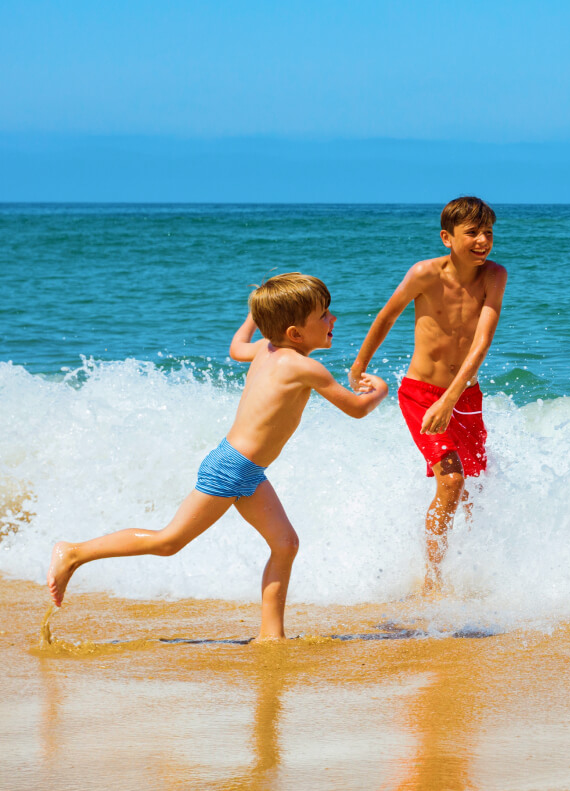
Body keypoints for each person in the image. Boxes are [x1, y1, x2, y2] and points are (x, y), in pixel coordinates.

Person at [46, 272, 389, 641]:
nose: (332, 319)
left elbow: (236, 347)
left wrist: (252, 319)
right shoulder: (303, 366)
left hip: (246, 469)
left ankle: (271, 635)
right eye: (324, 315)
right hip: (231, 469)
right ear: (295, 333)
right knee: (168, 542)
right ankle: (73, 552)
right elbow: (356, 408)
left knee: (285, 544)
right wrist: (380, 389)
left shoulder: (266, 349)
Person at [350, 197, 507, 595]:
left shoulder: (495, 276)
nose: (482, 240)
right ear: (446, 237)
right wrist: (358, 367)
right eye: (472, 232)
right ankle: (432, 580)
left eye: (487, 232)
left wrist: (452, 398)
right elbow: (386, 316)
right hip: (421, 394)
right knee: (452, 480)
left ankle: (477, 572)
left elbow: (481, 344)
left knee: (477, 487)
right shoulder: (424, 274)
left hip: (464, 397)